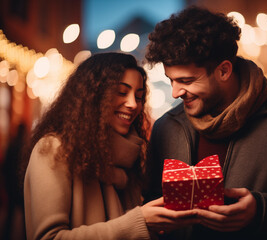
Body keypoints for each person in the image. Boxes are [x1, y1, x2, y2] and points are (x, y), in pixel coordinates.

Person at [144, 6, 267, 240]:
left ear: (224, 71)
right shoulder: (166, 126)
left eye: (186, 80)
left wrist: (260, 211)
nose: (175, 93)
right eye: (171, 80)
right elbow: (152, 200)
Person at [22, 52, 198, 240]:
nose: (132, 104)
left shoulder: (130, 156)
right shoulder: (54, 149)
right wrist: (139, 222)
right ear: (92, 95)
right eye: (121, 92)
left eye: (138, 97)